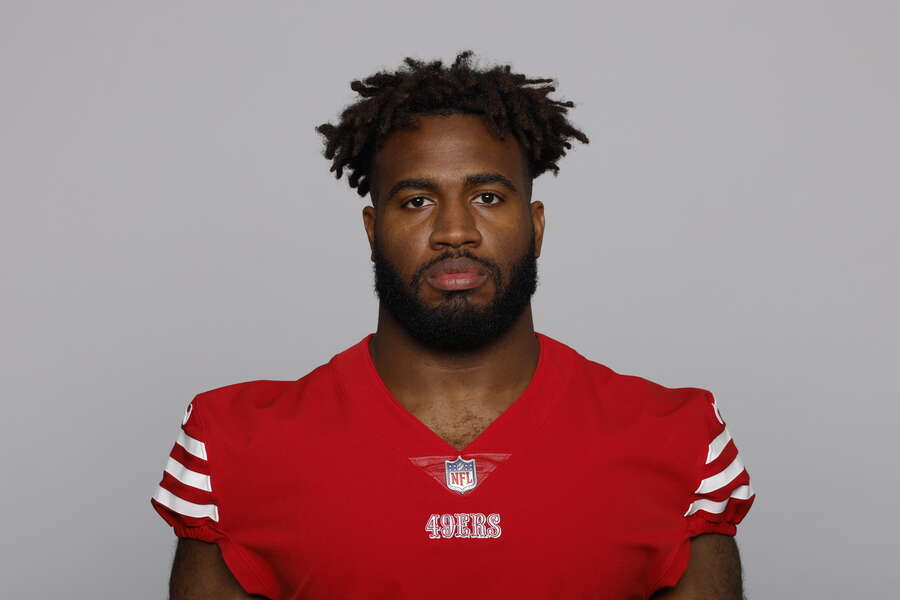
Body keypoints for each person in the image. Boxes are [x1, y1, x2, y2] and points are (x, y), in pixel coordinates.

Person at [151, 50, 756, 600]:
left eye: (488, 196)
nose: (455, 231)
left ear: (536, 225)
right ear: (372, 231)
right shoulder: (234, 445)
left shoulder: (678, 439)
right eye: (416, 201)